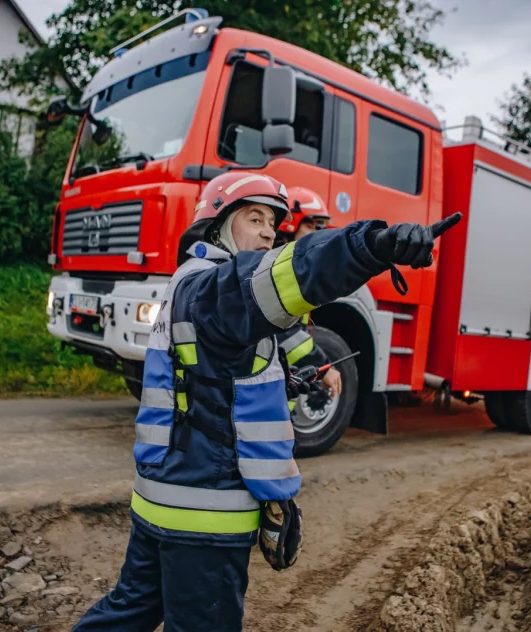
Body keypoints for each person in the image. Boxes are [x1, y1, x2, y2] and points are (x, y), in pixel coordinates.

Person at [71, 171, 460, 632]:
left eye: (273, 223)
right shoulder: (217, 289)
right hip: (206, 517)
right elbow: (295, 270)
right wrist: (371, 245)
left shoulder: (187, 283)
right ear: (216, 227)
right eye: (253, 218)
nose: (268, 231)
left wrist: (286, 383)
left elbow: (205, 381)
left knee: (127, 612)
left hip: (161, 501)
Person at [274, 187, 340, 404]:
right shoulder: (283, 269)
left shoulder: (293, 266)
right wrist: (323, 368)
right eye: (310, 225)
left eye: (319, 226)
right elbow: (286, 335)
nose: (317, 232)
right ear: (290, 225)